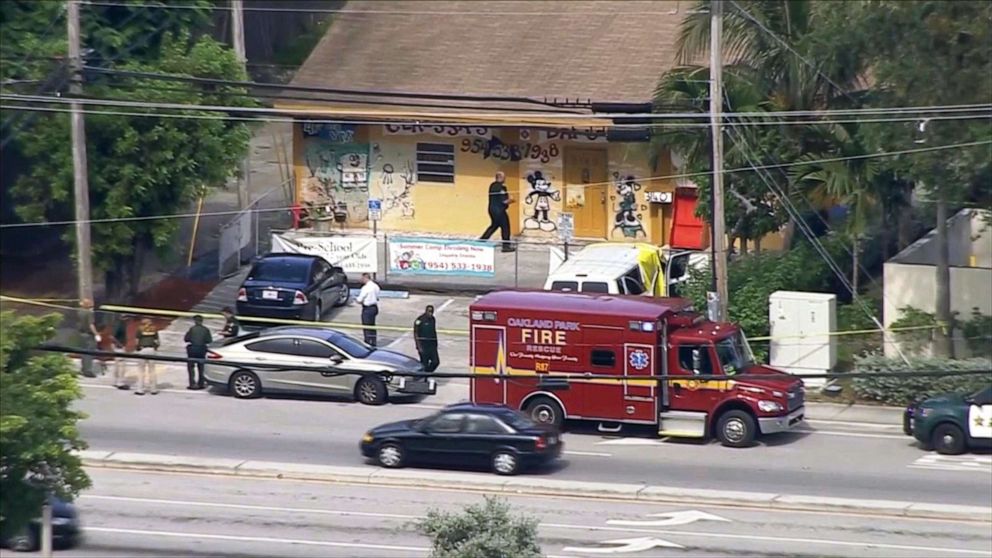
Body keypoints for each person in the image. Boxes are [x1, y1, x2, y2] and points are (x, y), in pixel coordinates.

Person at [479, 171, 515, 252]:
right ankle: (506, 246)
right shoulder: (501, 187)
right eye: (504, 177)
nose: (505, 179)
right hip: (499, 210)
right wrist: (512, 200)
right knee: (505, 227)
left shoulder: (492, 185)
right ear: (501, 178)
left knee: (494, 226)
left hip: (492, 209)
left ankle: (481, 241)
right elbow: (504, 201)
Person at [184, 315, 213, 390]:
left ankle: (192, 384)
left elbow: (186, 339)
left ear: (195, 321)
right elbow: (209, 340)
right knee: (201, 368)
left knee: (191, 368)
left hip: (192, 349)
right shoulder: (206, 329)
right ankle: (201, 383)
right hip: (201, 349)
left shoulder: (192, 329)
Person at [134, 318, 160, 396]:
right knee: (152, 370)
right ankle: (153, 389)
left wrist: (137, 348)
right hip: (151, 349)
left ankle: (140, 389)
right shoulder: (154, 329)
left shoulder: (140, 329)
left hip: (143, 349)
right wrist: (156, 348)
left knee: (141, 370)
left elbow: (137, 341)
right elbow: (157, 341)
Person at [78, 299, 101, 378]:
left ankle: (83, 368)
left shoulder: (79, 312)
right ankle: (88, 371)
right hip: (89, 335)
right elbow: (91, 325)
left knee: (83, 353)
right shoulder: (89, 313)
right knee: (89, 353)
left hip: (81, 334)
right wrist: (96, 334)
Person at [355, 273, 381, 347]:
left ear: (365, 278)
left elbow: (359, 300)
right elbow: (377, 296)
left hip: (367, 308)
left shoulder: (365, 288)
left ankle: (367, 342)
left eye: (362, 278)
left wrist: (358, 300)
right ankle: (373, 341)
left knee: (366, 327)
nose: (361, 280)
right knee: (372, 326)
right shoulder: (376, 286)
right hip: (374, 307)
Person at [414, 304, 440, 372]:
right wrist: (419, 346)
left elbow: (433, 331)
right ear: (426, 311)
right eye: (429, 311)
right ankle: (423, 377)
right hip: (423, 345)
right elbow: (416, 333)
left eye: (432, 311)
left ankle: (427, 373)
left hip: (432, 345)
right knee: (424, 363)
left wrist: (436, 343)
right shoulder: (419, 320)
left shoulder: (433, 319)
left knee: (435, 362)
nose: (430, 313)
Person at [110, 315, 133, 390]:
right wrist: (121, 345)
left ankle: (115, 381)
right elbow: (112, 337)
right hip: (119, 347)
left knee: (117, 364)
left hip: (116, 346)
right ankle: (120, 383)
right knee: (121, 365)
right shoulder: (120, 325)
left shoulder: (117, 324)